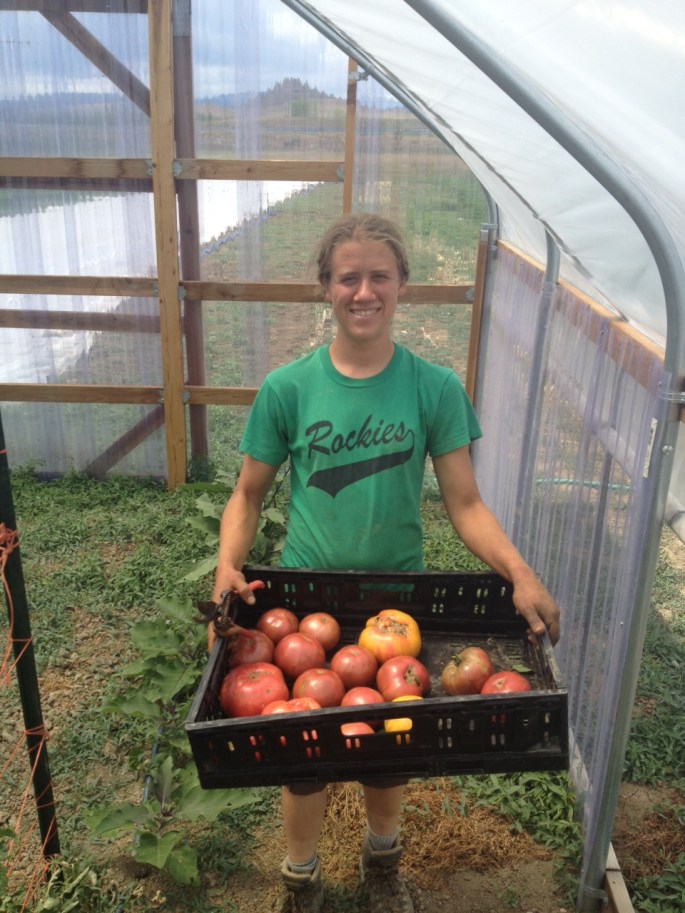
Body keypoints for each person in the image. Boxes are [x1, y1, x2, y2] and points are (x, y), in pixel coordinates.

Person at [211, 213, 560, 913]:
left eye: (378, 276)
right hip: (309, 602)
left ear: (402, 285)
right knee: (304, 759)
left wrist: (519, 572)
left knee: (388, 746)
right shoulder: (288, 388)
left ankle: (382, 866)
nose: (362, 291)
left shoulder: (431, 388)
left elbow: (464, 503)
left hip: (396, 601)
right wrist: (226, 563)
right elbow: (247, 493)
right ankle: (301, 878)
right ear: (325, 289)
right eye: (348, 277)